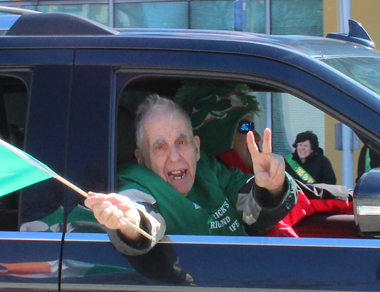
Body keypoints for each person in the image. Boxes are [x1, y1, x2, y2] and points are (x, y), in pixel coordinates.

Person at [85, 94, 298, 255]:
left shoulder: (208, 168)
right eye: (160, 147)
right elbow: (143, 216)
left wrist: (273, 186)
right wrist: (131, 224)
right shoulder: (135, 181)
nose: (175, 156)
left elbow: (253, 210)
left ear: (196, 147)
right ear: (141, 158)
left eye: (181, 142)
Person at [174, 81, 353, 238]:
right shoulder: (208, 178)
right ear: (217, 135)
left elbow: (307, 197)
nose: (258, 137)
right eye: (246, 126)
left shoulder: (238, 179)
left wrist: (274, 189)